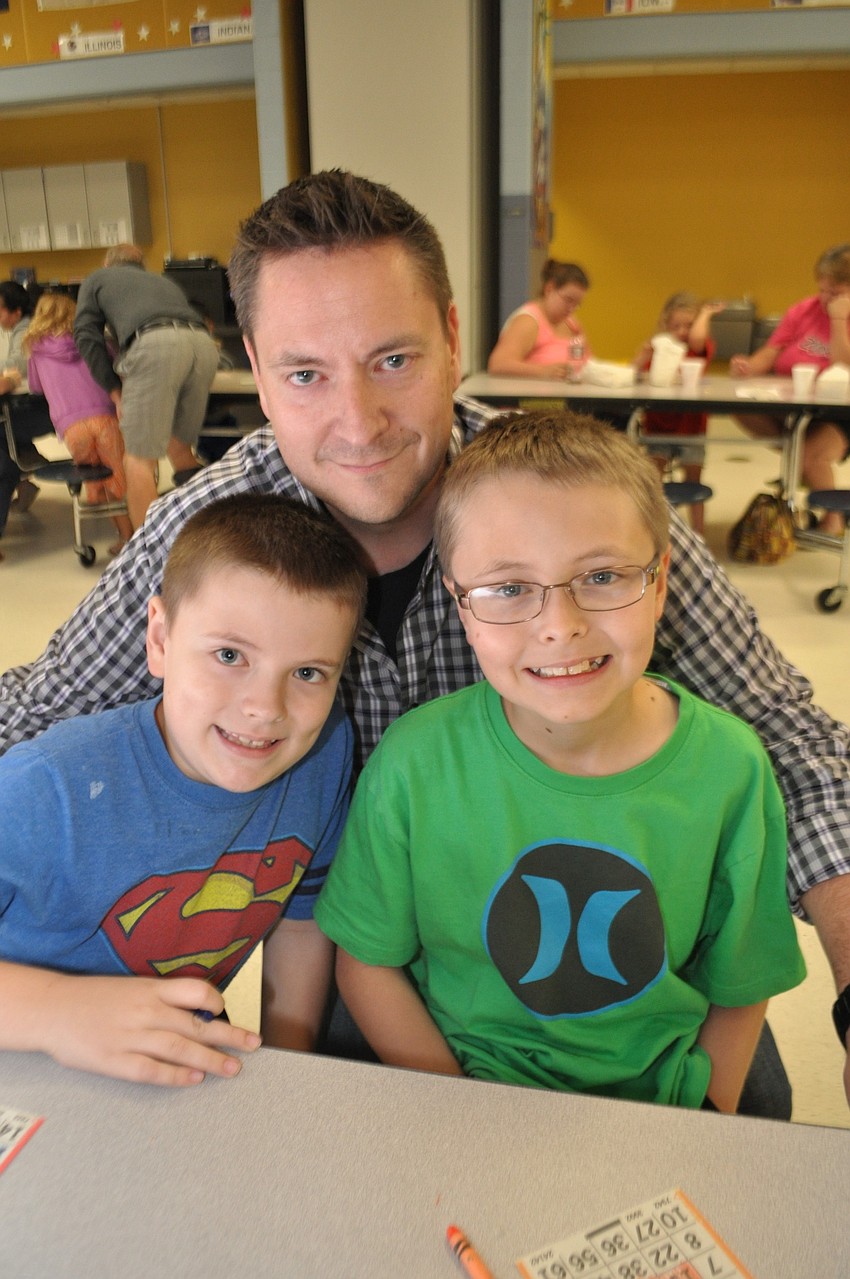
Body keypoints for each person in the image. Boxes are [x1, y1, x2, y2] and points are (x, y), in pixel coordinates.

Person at [0, 170, 848, 1111]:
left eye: (393, 359)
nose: (358, 423)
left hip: (626, 1003)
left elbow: (795, 745)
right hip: (382, 965)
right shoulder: (214, 530)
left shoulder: (570, 507)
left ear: (451, 337)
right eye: (305, 373)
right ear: (254, 363)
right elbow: (37, 714)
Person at [315, 412, 805, 1111]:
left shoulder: (732, 769)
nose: (560, 623)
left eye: (601, 575)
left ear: (661, 582)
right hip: (459, 1090)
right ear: (460, 606)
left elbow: (740, 984)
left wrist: (708, 1124)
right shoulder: (412, 763)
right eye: (509, 589)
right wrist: (460, 1112)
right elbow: (367, 963)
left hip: (661, 1108)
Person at [0, 492, 366, 1086]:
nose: (264, 710)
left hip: (168, 1084)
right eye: (229, 655)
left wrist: (288, 1072)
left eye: (307, 673)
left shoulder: (322, 756)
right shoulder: (47, 787)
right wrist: (55, 1012)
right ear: (161, 638)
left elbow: (302, 920)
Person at [73, 244, 220, 529]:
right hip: (203, 345)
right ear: (140, 265)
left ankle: (147, 560)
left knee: (138, 461)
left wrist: (114, 391)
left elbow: (86, 336)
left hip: (156, 346)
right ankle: (208, 535)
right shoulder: (162, 281)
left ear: (107, 264)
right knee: (180, 449)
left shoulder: (97, 279)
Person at [730, 244, 850, 536]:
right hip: (793, 403)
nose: (825, 298)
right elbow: (773, 350)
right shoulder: (803, 309)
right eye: (822, 289)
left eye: (834, 292)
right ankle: (797, 462)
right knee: (741, 409)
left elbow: (843, 367)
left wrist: (837, 320)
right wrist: (750, 365)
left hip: (838, 411)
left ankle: (834, 518)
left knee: (811, 456)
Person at [24, 291, 134, 555]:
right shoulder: (91, 341)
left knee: (93, 472)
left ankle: (93, 497)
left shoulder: (35, 351)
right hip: (106, 418)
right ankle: (128, 538)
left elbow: (35, 388)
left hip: (72, 425)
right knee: (117, 479)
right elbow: (115, 367)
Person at [635, 292, 723, 535]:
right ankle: (652, 527)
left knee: (693, 478)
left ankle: (698, 530)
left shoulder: (699, 348)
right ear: (665, 325)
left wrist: (705, 313)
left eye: (689, 326)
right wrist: (644, 354)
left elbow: (696, 340)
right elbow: (637, 373)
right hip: (659, 423)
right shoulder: (660, 347)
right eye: (676, 326)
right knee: (653, 477)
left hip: (691, 424)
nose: (683, 332)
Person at [487, 258, 591, 381]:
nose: (572, 308)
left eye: (577, 304)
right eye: (568, 300)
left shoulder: (572, 323)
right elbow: (498, 364)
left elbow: (587, 362)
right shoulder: (528, 322)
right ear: (549, 289)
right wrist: (542, 371)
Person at [0, 281, 43, 556]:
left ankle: (18, 477)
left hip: (33, 407)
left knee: (3, 456)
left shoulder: (26, 331)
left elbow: (13, 370)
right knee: (4, 454)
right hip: (29, 407)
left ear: (16, 312)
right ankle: (21, 480)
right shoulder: (19, 330)